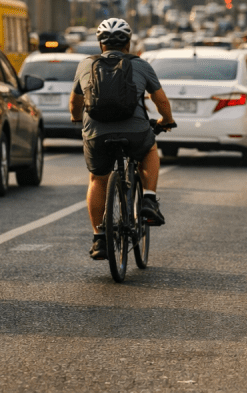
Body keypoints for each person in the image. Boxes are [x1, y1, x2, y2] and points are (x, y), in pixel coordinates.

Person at [69, 18, 175, 260]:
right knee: (149, 150)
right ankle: (148, 200)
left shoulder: (85, 65)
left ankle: (99, 239)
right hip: (135, 130)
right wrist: (166, 120)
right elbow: (161, 101)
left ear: (100, 44)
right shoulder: (140, 64)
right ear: (128, 43)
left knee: (97, 178)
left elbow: (74, 103)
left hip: (97, 132)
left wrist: (76, 119)